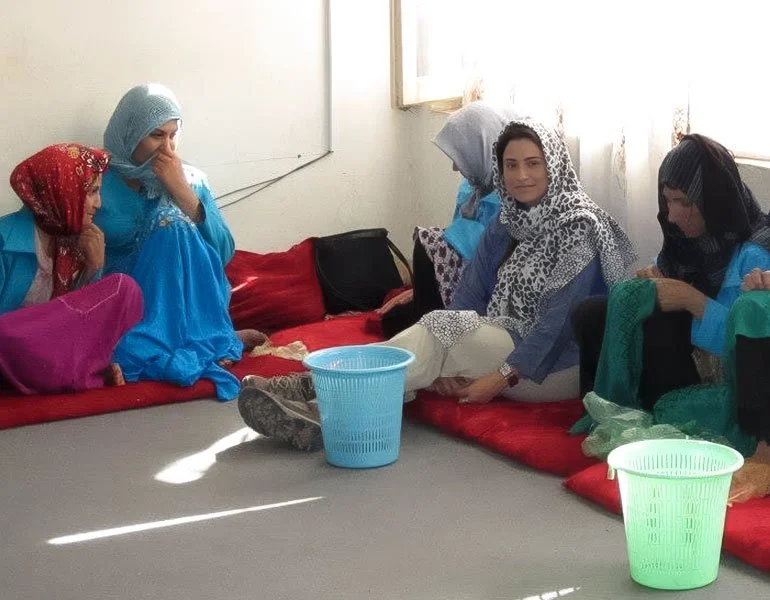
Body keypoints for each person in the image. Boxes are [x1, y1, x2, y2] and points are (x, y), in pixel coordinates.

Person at [239, 119, 636, 450]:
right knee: (436, 332)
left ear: (555, 165)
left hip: (551, 369)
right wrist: (452, 348)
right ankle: (325, 411)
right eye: (511, 165)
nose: (521, 176)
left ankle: (317, 390)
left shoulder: (578, 226)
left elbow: (558, 326)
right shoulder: (507, 221)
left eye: (533, 163)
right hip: (505, 340)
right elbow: (469, 294)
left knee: (435, 332)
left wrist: (496, 378)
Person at [572, 134, 770, 413]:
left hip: (720, 374)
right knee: (590, 314)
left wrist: (694, 301)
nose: (672, 215)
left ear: (712, 198)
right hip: (683, 351)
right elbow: (667, 275)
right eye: (667, 201)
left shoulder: (756, 253)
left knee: (660, 326)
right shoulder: (685, 236)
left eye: (683, 201)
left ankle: (660, 427)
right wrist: (655, 279)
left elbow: (748, 345)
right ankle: (602, 412)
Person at [96, 84, 263, 401]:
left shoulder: (192, 179)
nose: (168, 148)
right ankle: (213, 341)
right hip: (128, 298)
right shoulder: (98, 185)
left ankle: (208, 337)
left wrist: (183, 194)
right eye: (156, 135)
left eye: (173, 135)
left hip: (191, 300)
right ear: (129, 133)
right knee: (126, 351)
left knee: (175, 225)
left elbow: (224, 252)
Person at [0, 143, 143, 394]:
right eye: (90, 192)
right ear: (61, 189)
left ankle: (73, 370)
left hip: (48, 353)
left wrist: (93, 268)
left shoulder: (79, 242)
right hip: (8, 349)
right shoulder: (4, 239)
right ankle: (74, 372)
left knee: (125, 287)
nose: (98, 204)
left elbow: (74, 322)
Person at [380, 102, 513, 337]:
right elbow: (455, 245)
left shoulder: (515, 191)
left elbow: (488, 255)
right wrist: (420, 288)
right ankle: (431, 327)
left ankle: (435, 335)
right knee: (391, 321)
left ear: (482, 147)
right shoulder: (472, 187)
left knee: (426, 240)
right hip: (463, 282)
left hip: (494, 288)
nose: (454, 167)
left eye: (460, 157)